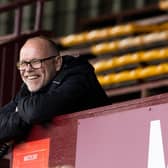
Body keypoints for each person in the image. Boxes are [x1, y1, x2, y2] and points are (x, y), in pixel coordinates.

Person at [0, 36, 109, 155]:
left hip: (99, 152)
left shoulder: (78, 75)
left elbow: (35, 112)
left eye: (36, 62)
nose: (28, 70)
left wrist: (20, 110)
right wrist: (25, 113)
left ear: (57, 63)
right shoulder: (30, 85)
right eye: (23, 64)